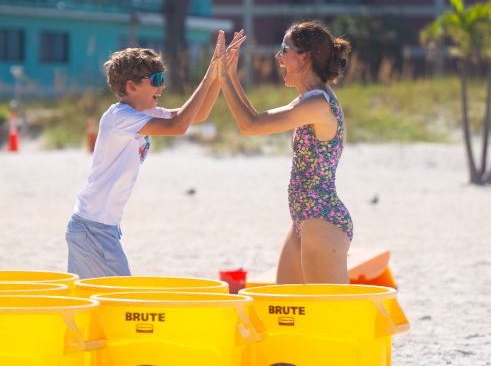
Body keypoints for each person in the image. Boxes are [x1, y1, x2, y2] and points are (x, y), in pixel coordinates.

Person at [66, 31, 242, 278]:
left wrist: (218, 76)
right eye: (156, 79)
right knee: (120, 301)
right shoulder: (119, 117)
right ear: (131, 85)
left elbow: (196, 116)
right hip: (93, 229)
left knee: (95, 305)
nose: (162, 86)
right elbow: (178, 126)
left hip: (99, 227)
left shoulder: (145, 114)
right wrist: (208, 75)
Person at [217, 21, 352, 283]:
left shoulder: (318, 103)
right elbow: (254, 120)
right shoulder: (309, 99)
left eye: (284, 49)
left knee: (326, 317)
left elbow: (249, 125)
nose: (278, 57)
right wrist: (231, 77)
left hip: (323, 221)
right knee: (286, 313)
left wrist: (223, 79)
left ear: (305, 57)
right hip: (304, 221)